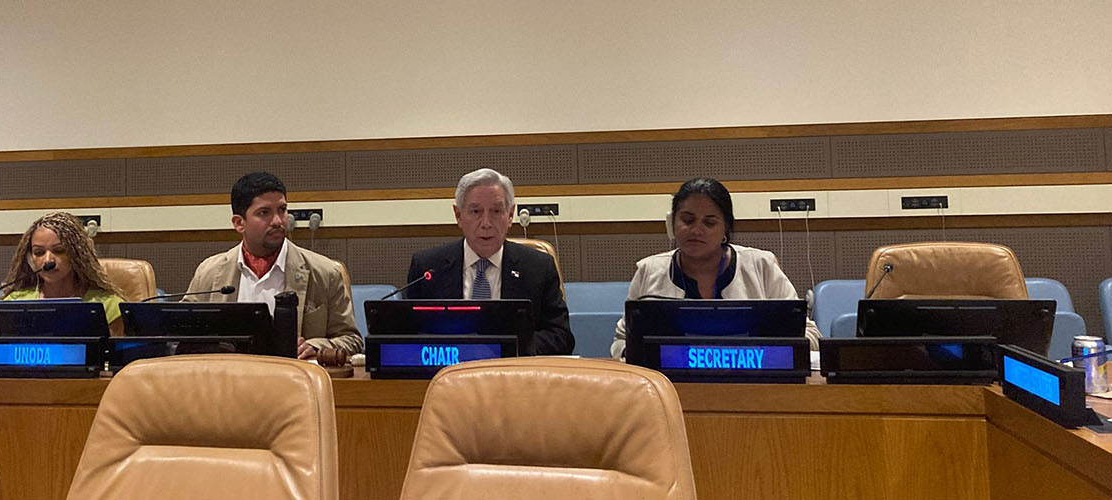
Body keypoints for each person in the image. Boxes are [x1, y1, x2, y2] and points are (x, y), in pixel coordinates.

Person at [610, 177, 821, 359]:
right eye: (687, 220)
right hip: (670, 384)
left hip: (752, 379)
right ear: (671, 224)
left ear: (725, 230)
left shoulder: (761, 265)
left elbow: (810, 335)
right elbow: (621, 342)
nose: (696, 230)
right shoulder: (649, 270)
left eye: (709, 223)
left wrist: (774, 349)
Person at [182, 172, 363, 358]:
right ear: (239, 223)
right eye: (264, 213)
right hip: (228, 374)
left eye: (282, 210)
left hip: (294, 374)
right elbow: (180, 336)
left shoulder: (326, 272)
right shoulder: (209, 272)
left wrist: (316, 346)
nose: (278, 221)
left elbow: (352, 340)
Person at [403, 168, 574, 355]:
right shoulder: (427, 268)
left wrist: (503, 348)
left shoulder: (538, 267)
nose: (486, 223)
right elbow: (407, 336)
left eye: (496, 211)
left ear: (510, 215)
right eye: (476, 211)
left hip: (515, 370)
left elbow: (561, 337)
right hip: (448, 370)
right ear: (458, 215)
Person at [0, 211, 124, 358]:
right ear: (30, 258)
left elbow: (117, 359)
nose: (48, 260)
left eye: (59, 251)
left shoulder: (108, 304)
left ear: (77, 254)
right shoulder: (15, 301)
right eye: (39, 252)